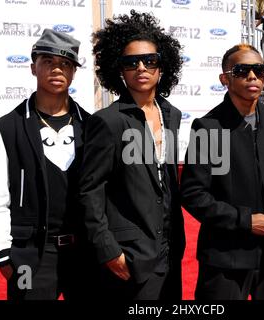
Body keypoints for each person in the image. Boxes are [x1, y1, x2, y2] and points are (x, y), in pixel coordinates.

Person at [78, 10, 185, 300]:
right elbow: (90, 191)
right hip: (129, 256)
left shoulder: (172, 115)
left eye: (150, 60)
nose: (141, 67)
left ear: (162, 68)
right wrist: (108, 250)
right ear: (120, 70)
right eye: (131, 62)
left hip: (171, 249)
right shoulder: (108, 121)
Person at [180, 44, 264, 300]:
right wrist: (245, 220)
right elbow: (194, 194)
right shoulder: (210, 128)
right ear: (225, 79)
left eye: (259, 70)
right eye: (242, 70)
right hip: (226, 257)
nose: (253, 77)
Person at [0, 29, 90, 300]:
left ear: (74, 72)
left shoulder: (91, 126)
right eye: (48, 61)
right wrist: (3, 254)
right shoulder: (7, 127)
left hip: (85, 254)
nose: (57, 69)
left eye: (65, 63)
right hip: (30, 254)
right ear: (33, 68)